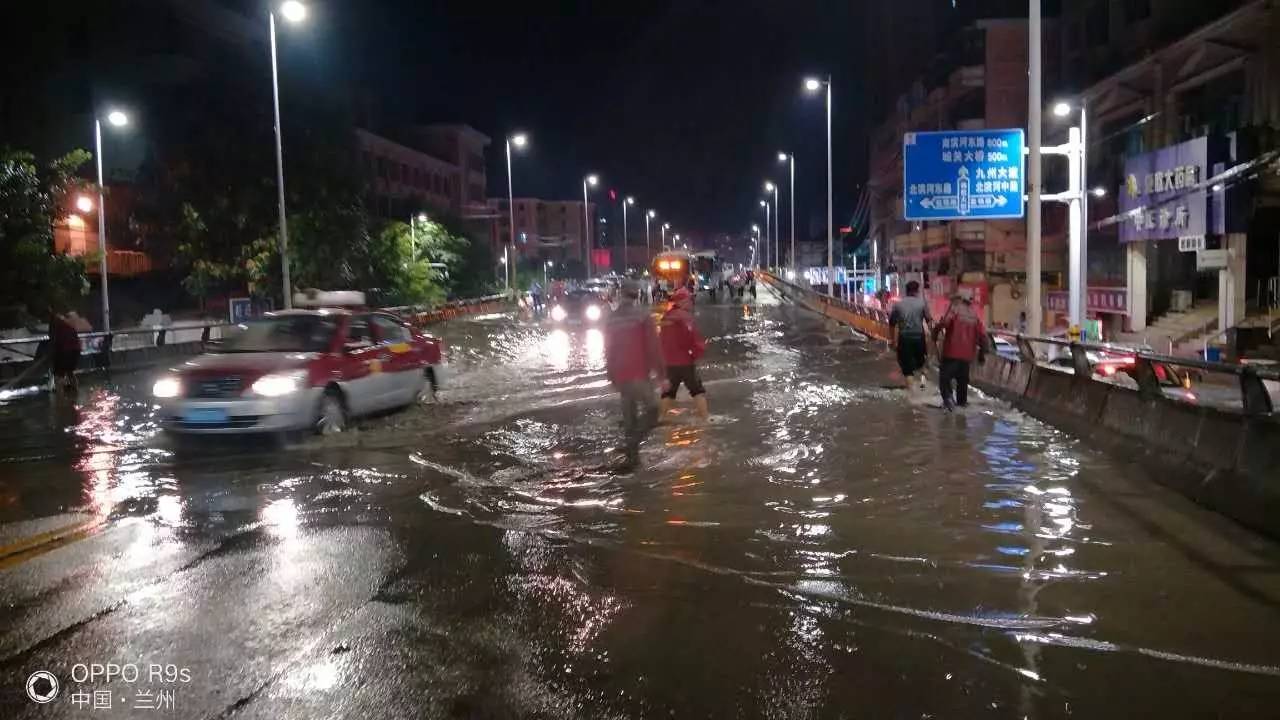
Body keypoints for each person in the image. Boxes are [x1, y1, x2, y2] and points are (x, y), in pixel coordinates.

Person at [604, 280, 664, 467]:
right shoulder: (643, 316)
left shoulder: (611, 318)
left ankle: (632, 458)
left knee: (629, 414)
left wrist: (611, 374)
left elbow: (608, 349)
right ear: (637, 294)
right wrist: (662, 375)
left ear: (621, 294)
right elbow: (653, 348)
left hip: (619, 374)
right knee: (654, 409)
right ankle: (632, 443)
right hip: (638, 373)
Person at [932, 288, 989, 411]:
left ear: (960, 299)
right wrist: (982, 355)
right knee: (962, 384)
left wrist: (935, 332)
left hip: (951, 353)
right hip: (967, 357)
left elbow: (945, 323)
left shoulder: (954, 309)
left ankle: (948, 402)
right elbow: (983, 337)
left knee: (944, 379)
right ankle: (961, 408)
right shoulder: (975, 316)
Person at [658, 287, 709, 420]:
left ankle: (662, 418)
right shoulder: (685, 317)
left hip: (669, 363)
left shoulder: (666, 316)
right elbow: (691, 339)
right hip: (685, 361)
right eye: (689, 299)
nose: (691, 302)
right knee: (697, 390)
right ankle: (705, 419)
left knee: (668, 392)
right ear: (683, 301)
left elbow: (661, 340)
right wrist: (698, 351)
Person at [888, 280, 933, 396]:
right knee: (922, 363)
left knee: (908, 368)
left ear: (906, 291)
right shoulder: (922, 304)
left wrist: (892, 341)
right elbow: (929, 322)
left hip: (904, 338)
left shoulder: (898, 305)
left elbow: (891, 324)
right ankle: (923, 387)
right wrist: (932, 338)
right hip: (919, 337)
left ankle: (912, 395)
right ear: (917, 291)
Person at [49, 310, 82, 394]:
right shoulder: (67, 322)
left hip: (65, 350)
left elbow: (54, 338)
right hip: (75, 349)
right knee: (70, 372)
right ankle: (75, 392)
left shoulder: (56, 322)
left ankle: (60, 398)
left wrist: (53, 352)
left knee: (58, 375)